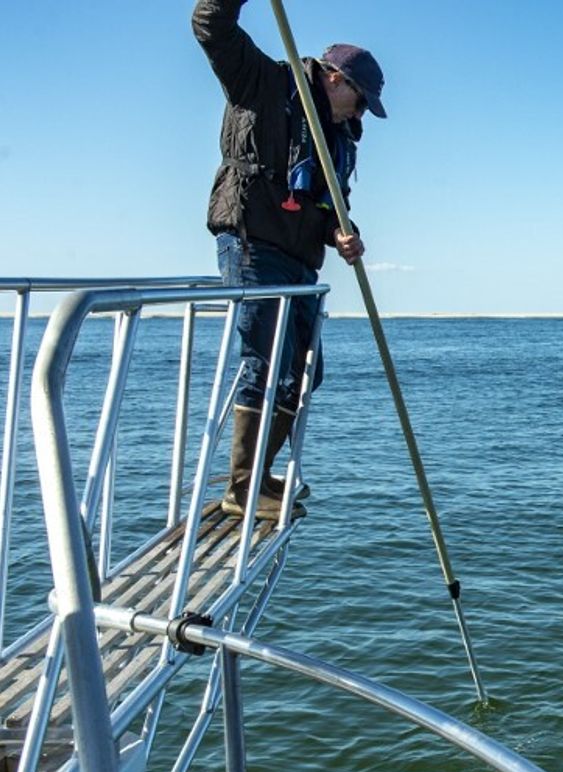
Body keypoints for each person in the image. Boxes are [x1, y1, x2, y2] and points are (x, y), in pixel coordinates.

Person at [192, 0, 387, 517]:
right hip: (253, 241)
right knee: (265, 359)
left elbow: (330, 207)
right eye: (362, 101)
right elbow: (210, 26)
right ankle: (242, 487)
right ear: (335, 78)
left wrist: (344, 235)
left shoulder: (338, 138)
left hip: (300, 258)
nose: (361, 113)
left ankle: (256, 476)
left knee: (303, 369)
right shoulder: (268, 84)